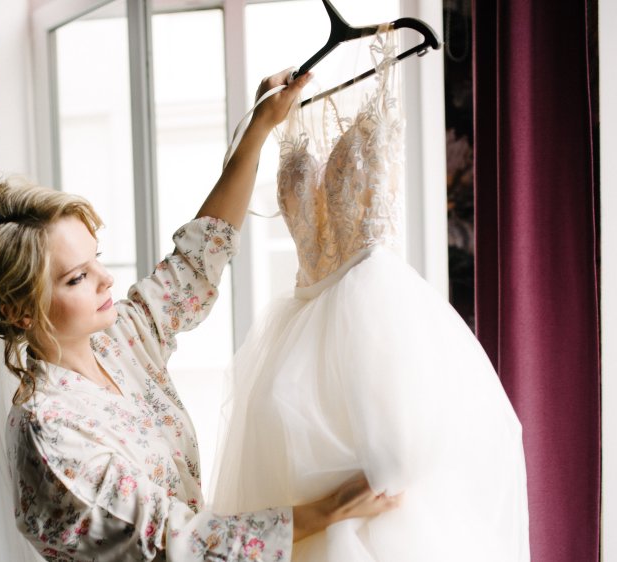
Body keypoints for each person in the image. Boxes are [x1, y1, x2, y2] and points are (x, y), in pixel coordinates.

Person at [0, 67, 399, 562]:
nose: (107, 280)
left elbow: (195, 261)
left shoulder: (121, 340)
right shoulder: (47, 433)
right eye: (77, 278)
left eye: (97, 261)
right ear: (18, 310)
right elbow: (170, 541)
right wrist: (326, 511)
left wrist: (257, 131)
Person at [208, 30, 529, 561]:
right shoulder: (280, 116)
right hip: (304, 325)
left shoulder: (392, 60)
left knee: (393, 487)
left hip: (374, 315)